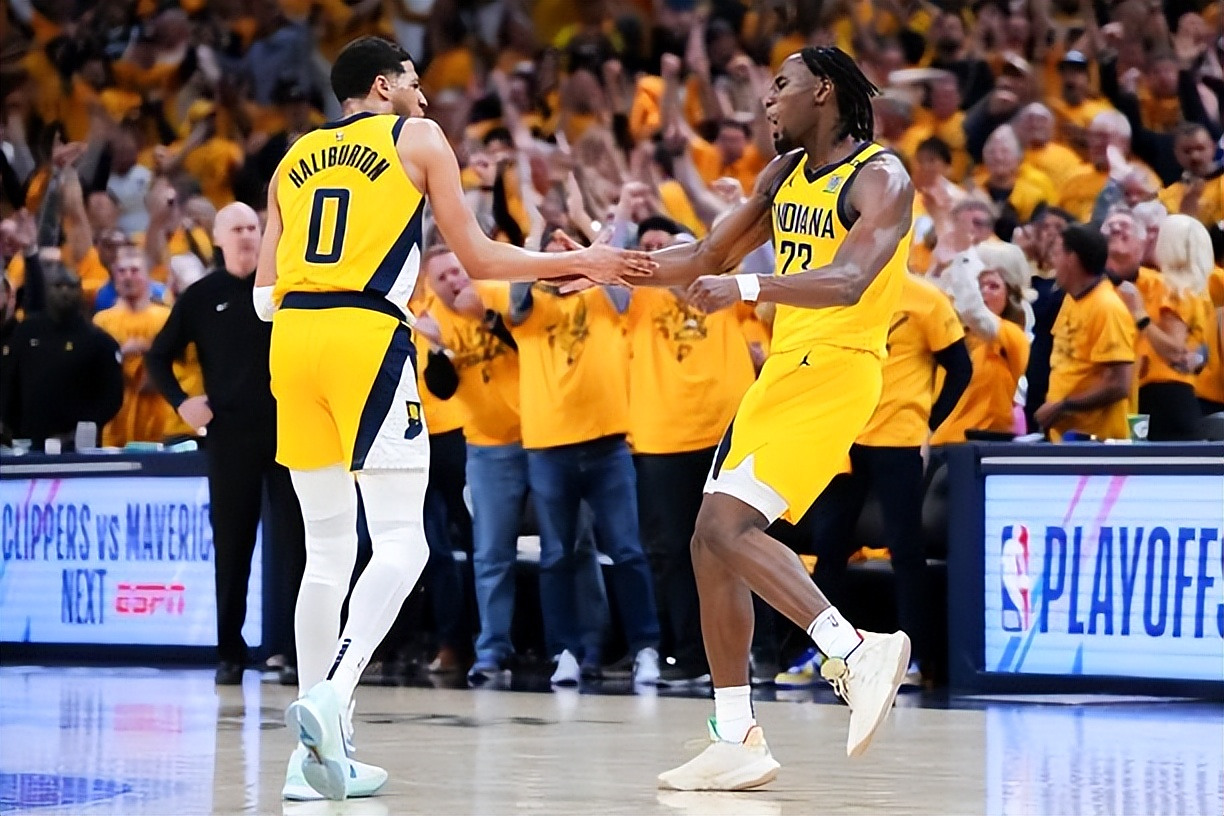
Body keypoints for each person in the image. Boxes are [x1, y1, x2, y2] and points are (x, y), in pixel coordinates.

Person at [252, 37, 651, 802]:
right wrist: (582, 262)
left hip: (292, 343)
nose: (425, 96)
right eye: (414, 81)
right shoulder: (417, 137)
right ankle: (333, 694)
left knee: (325, 553)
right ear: (383, 86)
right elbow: (479, 259)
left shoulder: (291, 159)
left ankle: (310, 762)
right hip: (365, 335)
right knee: (404, 540)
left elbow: (263, 298)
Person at [627, 46, 916, 790]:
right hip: (785, 367)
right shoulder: (784, 175)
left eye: (780, 85)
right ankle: (736, 736)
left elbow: (849, 280)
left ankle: (853, 650)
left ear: (823, 91)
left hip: (839, 366)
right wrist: (602, 265)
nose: (767, 100)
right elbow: (707, 252)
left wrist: (749, 288)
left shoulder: (881, 177)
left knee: (730, 529)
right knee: (708, 542)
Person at [146, 203, 306, 689]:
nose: (246, 235)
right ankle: (229, 654)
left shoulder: (284, 286)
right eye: (236, 228)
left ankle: (295, 653)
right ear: (217, 238)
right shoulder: (202, 295)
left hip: (288, 431)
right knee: (233, 547)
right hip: (230, 437)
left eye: (253, 227)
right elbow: (158, 356)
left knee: (297, 545)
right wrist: (182, 402)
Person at [0, 262, 123, 450]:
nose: (64, 292)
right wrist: (8, 424)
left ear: (81, 291)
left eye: (71, 286)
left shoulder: (99, 341)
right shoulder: (25, 332)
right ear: (47, 290)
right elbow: (9, 382)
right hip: (27, 442)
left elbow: (112, 397)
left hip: (79, 446)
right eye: (58, 286)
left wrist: (84, 428)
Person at [1035, 225, 1136, 440]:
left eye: (1057, 254)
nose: (1053, 262)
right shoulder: (1071, 299)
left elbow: (1119, 384)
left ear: (1071, 259)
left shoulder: (1107, 307)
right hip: (1066, 438)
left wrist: (1064, 406)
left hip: (1096, 443)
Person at [92, 246, 172, 447]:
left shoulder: (165, 319)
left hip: (159, 421)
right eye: (122, 271)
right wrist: (119, 354)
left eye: (135, 270)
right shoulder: (102, 322)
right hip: (116, 421)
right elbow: (95, 374)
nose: (128, 276)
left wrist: (150, 353)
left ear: (147, 276)